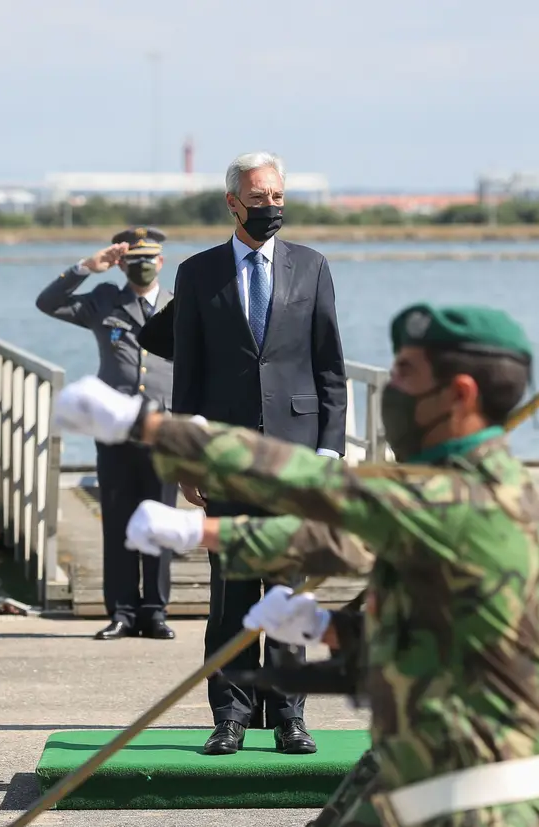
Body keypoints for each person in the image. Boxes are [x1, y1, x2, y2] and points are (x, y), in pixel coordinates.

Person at [53, 301, 539, 826]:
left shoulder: (453, 501)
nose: (393, 388)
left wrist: (146, 428)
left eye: (407, 374)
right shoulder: (533, 513)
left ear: (458, 394)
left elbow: (310, 482)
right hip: (421, 783)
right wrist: (339, 631)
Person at [170, 151, 347, 754]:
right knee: (232, 592)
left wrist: (329, 451)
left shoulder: (313, 267)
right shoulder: (197, 274)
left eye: (277, 196)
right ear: (232, 202)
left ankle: (290, 714)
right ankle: (231, 715)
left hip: (297, 456)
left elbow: (330, 368)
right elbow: (187, 376)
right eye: (259, 197)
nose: (271, 207)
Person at [35, 228, 177, 640]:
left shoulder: (178, 305)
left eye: (149, 258)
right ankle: (122, 612)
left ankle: (155, 610)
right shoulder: (104, 301)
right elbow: (49, 303)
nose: (142, 265)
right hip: (115, 430)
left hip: (165, 430)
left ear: (162, 262)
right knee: (116, 521)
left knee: (162, 521)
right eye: (133, 258)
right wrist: (86, 268)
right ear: (122, 263)